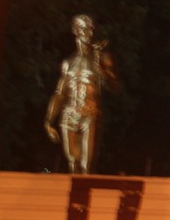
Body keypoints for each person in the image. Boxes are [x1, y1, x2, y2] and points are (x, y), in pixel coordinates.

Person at [44, 14, 118, 174]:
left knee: (86, 166)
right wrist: (49, 121)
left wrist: (103, 71)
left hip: (90, 113)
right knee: (73, 162)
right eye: (84, 29)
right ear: (75, 30)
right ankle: (75, 198)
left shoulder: (102, 57)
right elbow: (60, 93)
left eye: (91, 29)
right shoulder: (69, 63)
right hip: (70, 114)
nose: (89, 34)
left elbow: (115, 86)